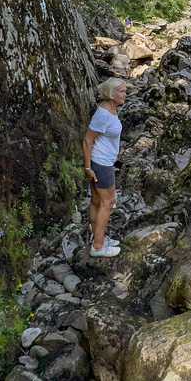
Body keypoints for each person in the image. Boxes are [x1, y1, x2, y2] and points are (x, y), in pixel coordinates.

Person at [82, 77, 127, 257]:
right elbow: (87, 140)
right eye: (122, 92)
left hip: (101, 163)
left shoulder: (111, 110)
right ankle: (99, 247)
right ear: (111, 93)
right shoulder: (103, 114)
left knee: (96, 200)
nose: (125, 94)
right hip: (101, 164)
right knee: (108, 202)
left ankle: (97, 237)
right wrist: (88, 168)